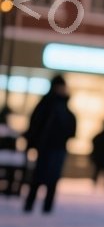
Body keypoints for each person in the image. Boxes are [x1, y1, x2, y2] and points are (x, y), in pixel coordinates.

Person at [23, 76, 76, 215]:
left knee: (52, 178)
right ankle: (31, 205)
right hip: (46, 146)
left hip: (57, 146)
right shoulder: (47, 104)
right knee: (40, 176)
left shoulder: (62, 106)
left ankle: (46, 207)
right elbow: (35, 124)